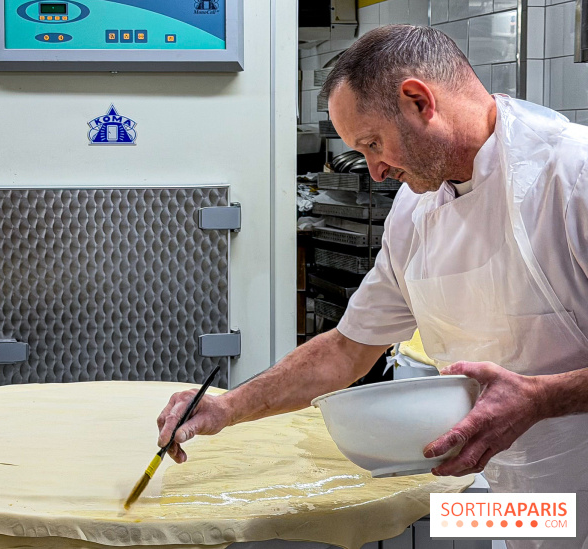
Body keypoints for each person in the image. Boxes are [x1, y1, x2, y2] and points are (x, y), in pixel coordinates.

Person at [157, 25, 588, 549]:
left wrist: (540, 399)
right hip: (510, 501)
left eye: (372, 144)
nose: (376, 171)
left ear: (418, 100)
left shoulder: (573, 176)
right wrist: (226, 408)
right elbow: (346, 349)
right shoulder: (414, 210)